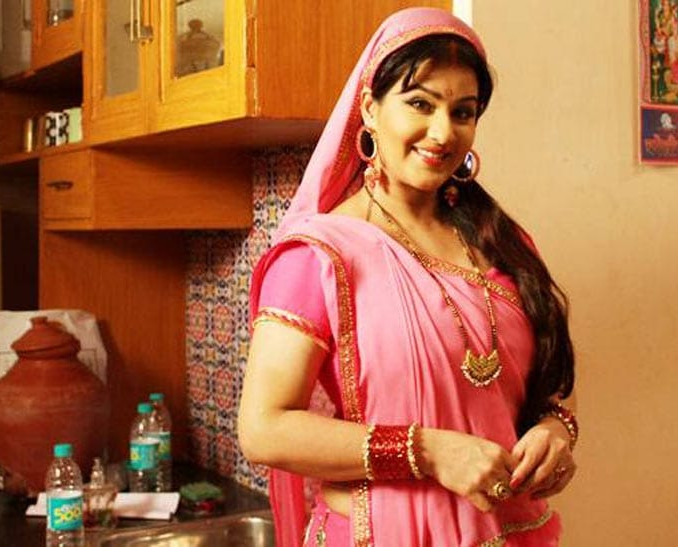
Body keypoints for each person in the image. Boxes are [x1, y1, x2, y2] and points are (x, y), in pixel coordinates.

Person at [238, 7, 578, 546]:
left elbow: (551, 377)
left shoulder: (504, 242)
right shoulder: (319, 255)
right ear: (370, 109)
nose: (442, 132)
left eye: (462, 112)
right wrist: (428, 451)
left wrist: (557, 429)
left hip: (511, 531)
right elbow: (263, 427)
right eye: (420, 103)